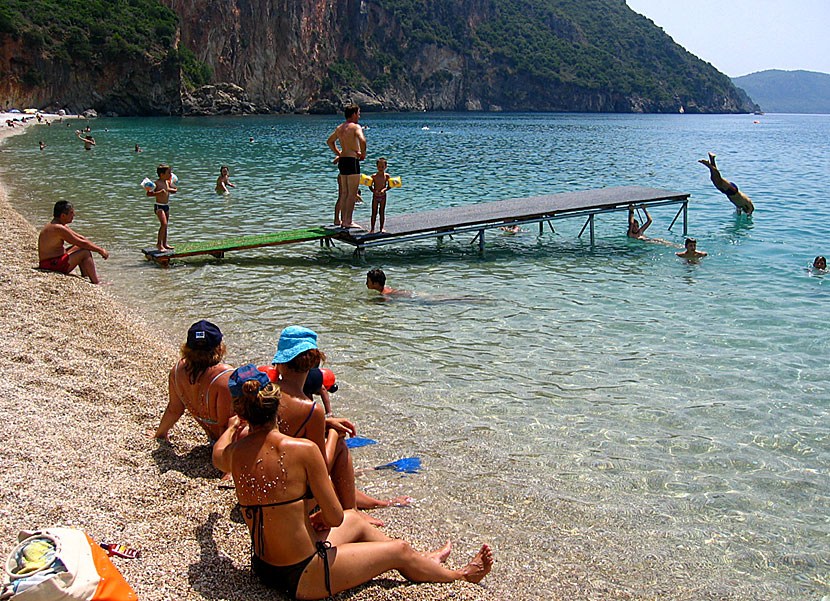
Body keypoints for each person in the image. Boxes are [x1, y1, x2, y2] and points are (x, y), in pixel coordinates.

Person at [212, 367, 493, 600]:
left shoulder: (234, 454)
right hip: (303, 576)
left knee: (356, 520)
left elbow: (217, 457)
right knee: (399, 550)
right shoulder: (301, 450)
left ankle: (424, 563)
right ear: (276, 402)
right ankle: (460, 576)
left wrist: (231, 429)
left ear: (242, 410)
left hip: (263, 568)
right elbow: (333, 517)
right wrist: (322, 514)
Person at [271, 326, 411, 515]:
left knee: (332, 468)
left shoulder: (266, 393)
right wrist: (335, 435)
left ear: (280, 362)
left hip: (266, 483)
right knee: (339, 446)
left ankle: (370, 504)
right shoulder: (311, 409)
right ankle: (351, 511)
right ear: (313, 364)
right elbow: (319, 466)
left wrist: (326, 423)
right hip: (291, 495)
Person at [153, 320, 236, 443]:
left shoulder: (177, 371)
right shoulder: (224, 376)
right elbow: (225, 425)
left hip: (213, 440)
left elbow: (174, 410)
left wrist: (160, 434)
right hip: (229, 445)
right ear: (219, 348)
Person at [38, 201, 108, 284]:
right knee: (85, 252)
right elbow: (81, 243)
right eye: (71, 212)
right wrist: (100, 250)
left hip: (52, 261)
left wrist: (98, 248)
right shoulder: (58, 228)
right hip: (51, 265)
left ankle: (87, 274)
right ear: (63, 215)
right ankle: (96, 282)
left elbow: (81, 238)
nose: (74, 214)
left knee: (81, 248)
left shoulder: (58, 225)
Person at [327, 104, 366, 229]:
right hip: (352, 161)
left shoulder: (340, 128)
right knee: (352, 193)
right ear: (353, 114)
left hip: (343, 161)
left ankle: (342, 220)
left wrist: (339, 153)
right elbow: (363, 141)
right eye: (358, 113)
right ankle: (348, 221)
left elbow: (330, 141)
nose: (359, 116)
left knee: (344, 192)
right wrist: (363, 154)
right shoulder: (355, 127)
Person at [147, 164, 177, 251]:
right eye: (168, 173)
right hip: (159, 206)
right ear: (162, 174)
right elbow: (148, 194)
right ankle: (159, 244)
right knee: (163, 224)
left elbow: (174, 190)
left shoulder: (167, 182)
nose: (170, 175)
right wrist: (159, 192)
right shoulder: (156, 183)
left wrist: (171, 190)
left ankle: (165, 243)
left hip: (166, 206)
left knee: (166, 225)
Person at [369, 157, 391, 233]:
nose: (380, 168)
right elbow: (370, 186)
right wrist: (374, 191)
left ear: (386, 167)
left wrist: (384, 190)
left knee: (382, 212)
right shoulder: (374, 176)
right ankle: (372, 229)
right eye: (379, 167)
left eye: (382, 167)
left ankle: (381, 228)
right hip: (375, 196)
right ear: (376, 166)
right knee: (374, 212)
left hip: (383, 196)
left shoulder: (387, 176)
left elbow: (389, 186)